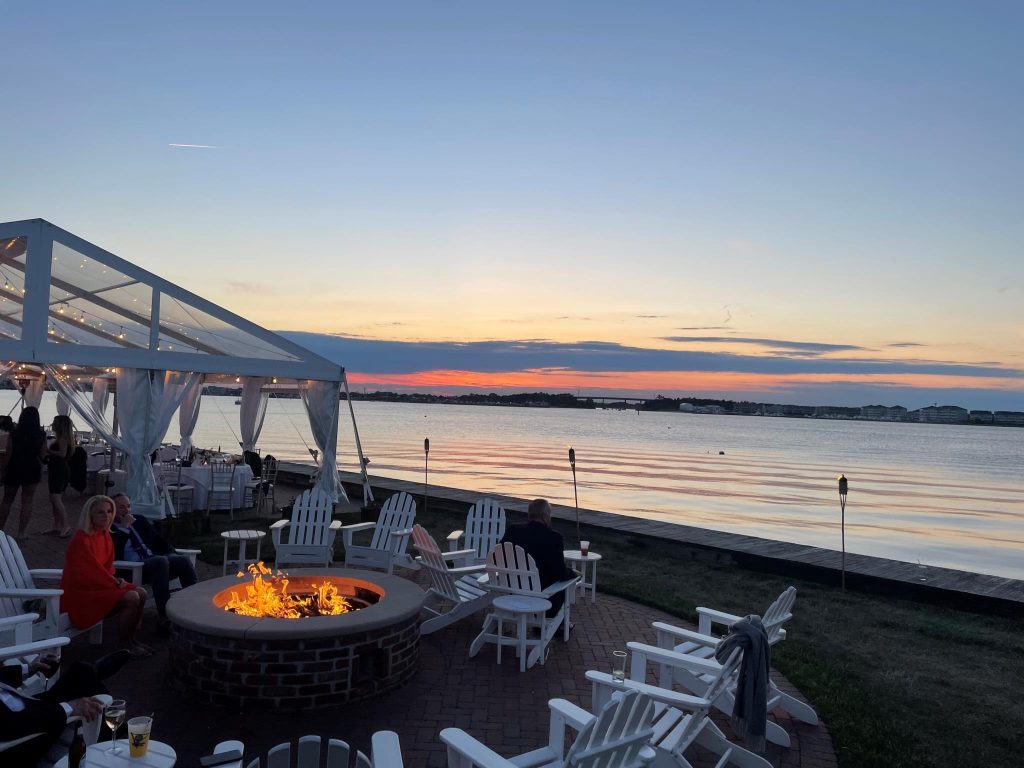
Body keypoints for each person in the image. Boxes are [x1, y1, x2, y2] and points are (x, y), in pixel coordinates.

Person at [0, 650, 129, 766]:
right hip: (27, 731)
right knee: (89, 688)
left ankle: (94, 675)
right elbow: (11, 726)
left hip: (30, 704)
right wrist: (70, 707)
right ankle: (110, 732)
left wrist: (28, 668)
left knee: (80, 670)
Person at [60, 495, 152, 657]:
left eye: (109, 511)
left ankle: (132, 640)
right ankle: (125, 645)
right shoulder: (82, 539)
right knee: (131, 597)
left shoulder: (104, 534)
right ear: (90, 514)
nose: (106, 516)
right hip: (82, 593)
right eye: (100, 512)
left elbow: (107, 569)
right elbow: (89, 573)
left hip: (99, 586)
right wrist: (114, 582)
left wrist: (116, 580)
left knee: (141, 592)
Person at [110, 493, 198, 636]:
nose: (127, 511)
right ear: (112, 510)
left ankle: (196, 607)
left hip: (155, 562)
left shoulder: (139, 520)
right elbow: (114, 552)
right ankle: (165, 616)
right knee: (160, 561)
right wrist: (125, 528)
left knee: (181, 560)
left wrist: (172, 553)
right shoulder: (109, 529)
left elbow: (159, 541)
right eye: (121, 508)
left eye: (128, 506)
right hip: (132, 569)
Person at [500, 498, 577, 622]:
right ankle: (556, 624)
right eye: (549, 514)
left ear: (530, 514)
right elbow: (559, 572)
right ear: (545, 515)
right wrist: (573, 574)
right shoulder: (554, 537)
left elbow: (499, 555)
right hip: (541, 595)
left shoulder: (512, 531)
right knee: (564, 586)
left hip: (512, 590)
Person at [0, 406, 47, 539]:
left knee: (7, 500)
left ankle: (0, 530)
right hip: (32, 469)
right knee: (27, 501)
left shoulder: (14, 433)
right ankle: (21, 533)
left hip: (14, 467)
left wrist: (3, 470)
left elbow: (9, 452)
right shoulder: (41, 435)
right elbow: (43, 455)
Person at [45, 414, 78, 537]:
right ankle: (57, 526)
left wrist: (48, 451)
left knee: (56, 499)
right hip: (58, 469)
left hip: (59, 470)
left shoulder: (63, 439)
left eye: (55, 422)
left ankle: (65, 526)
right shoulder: (64, 438)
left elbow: (62, 454)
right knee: (54, 499)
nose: (52, 424)